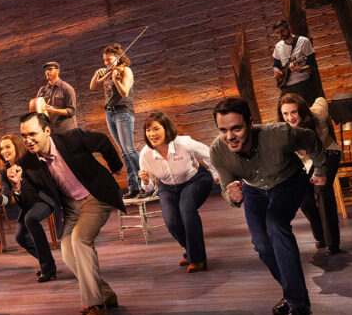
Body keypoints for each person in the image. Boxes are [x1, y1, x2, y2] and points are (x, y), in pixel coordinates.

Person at [210, 97, 327, 315]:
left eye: (236, 128)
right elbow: (226, 188)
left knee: (276, 225)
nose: (229, 136)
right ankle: (291, 291)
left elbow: (312, 140)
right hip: (254, 189)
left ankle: (299, 306)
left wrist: (321, 170)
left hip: (288, 180)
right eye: (223, 130)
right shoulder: (218, 151)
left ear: (250, 123)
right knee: (262, 244)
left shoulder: (280, 134)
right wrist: (231, 196)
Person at [19, 112, 125, 315]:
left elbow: (103, 141)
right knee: (67, 252)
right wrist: (18, 186)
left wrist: (115, 166)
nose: (28, 140)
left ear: (47, 131)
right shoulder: (27, 163)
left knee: (80, 240)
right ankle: (105, 294)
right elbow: (31, 200)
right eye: (23, 135)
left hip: (95, 196)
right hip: (71, 206)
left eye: (32, 134)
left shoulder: (73, 138)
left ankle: (96, 307)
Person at [138, 112, 219, 273]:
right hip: (167, 187)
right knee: (172, 222)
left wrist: (216, 174)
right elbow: (150, 187)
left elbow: (209, 153)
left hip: (195, 180)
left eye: (156, 129)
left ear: (166, 128)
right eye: (148, 130)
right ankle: (191, 251)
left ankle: (197, 259)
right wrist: (146, 181)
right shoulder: (145, 154)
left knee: (186, 210)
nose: (152, 134)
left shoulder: (184, 143)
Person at [0, 134, 57, 282]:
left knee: (31, 219)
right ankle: (48, 262)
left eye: (8, 147)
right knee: (20, 237)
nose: (4, 151)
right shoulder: (3, 171)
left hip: (43, 199)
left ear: (17, 146)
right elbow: (5, 199)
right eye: (1, 148)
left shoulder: (30, 160)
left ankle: (47, 268)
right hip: (28, 205)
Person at [278, 93, 342, 255]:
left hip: (327, 152)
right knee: (303, 198)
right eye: (285, 113)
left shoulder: (316, 115)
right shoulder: (284, 131)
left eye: (293, 112)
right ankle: (320, 235)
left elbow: (320, 100)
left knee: (322, 191)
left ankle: (332, 243)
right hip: (306, 163)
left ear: (302, 110)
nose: (290, 117)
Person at [90, 43, 142, 199]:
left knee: (129, 149)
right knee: (123, 152)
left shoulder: (125, 70)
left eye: (109, 59)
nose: (106, 62)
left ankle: (147, 183)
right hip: (110, 113)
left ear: (118, 58)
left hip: (123, 112)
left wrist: (115, 79)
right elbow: (93, 86)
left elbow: (125, 92)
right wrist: (96, 74)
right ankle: (133, 186)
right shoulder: (109, 71)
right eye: (104, 60)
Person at [271, 20, 319, 106]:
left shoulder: (304, 41)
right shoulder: (278, 46)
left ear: (289, 28)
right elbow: (275, 65)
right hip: (285, 86)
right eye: (277, 33)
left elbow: (312, 64)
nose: (280, 35)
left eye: (282, 31)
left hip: (302, 84)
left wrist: (301, 69)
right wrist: (276, 71)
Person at [35, 61, 78, 133]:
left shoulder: (67, 88)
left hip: (67, 130)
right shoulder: (42, 90)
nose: (47, 72)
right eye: (46, 70)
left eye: (50, 69)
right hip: (52, 131)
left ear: (58, 71)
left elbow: (72, 111)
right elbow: (37, 108)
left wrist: (54, 110)